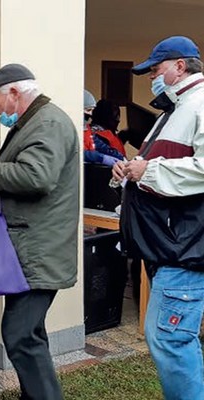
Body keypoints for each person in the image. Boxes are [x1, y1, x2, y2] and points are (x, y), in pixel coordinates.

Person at [0, 63, 79, 400]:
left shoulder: (46, 122)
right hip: (31, 249)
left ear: (15, 93)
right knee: (29, 332)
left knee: (19, 334)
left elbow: (37, 177)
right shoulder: (35, 121)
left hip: (39, 252)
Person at [115, 35, 204, 400]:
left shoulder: (198, 104)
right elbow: (154, 163)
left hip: (184, 245)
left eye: (156, 68)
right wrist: (129, 170)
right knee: (170, 337)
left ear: (179, 66)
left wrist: (146, 172)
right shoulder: (174, 109)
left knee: (169, 339)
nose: (152, 76)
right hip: (168, 244)